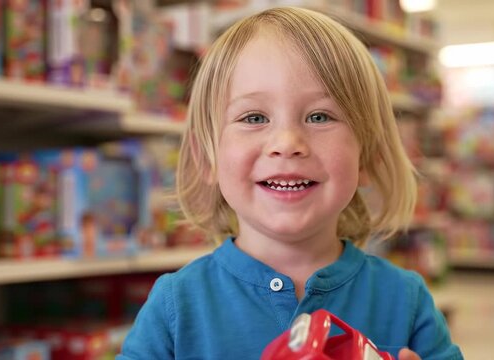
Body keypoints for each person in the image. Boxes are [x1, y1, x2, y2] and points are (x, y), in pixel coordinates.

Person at [118, 7, 463, 360]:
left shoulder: (404, 301)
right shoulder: (177, 304)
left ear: (367, 156)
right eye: (254, 117)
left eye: (319, 116)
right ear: (208, 158)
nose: (287, 142)